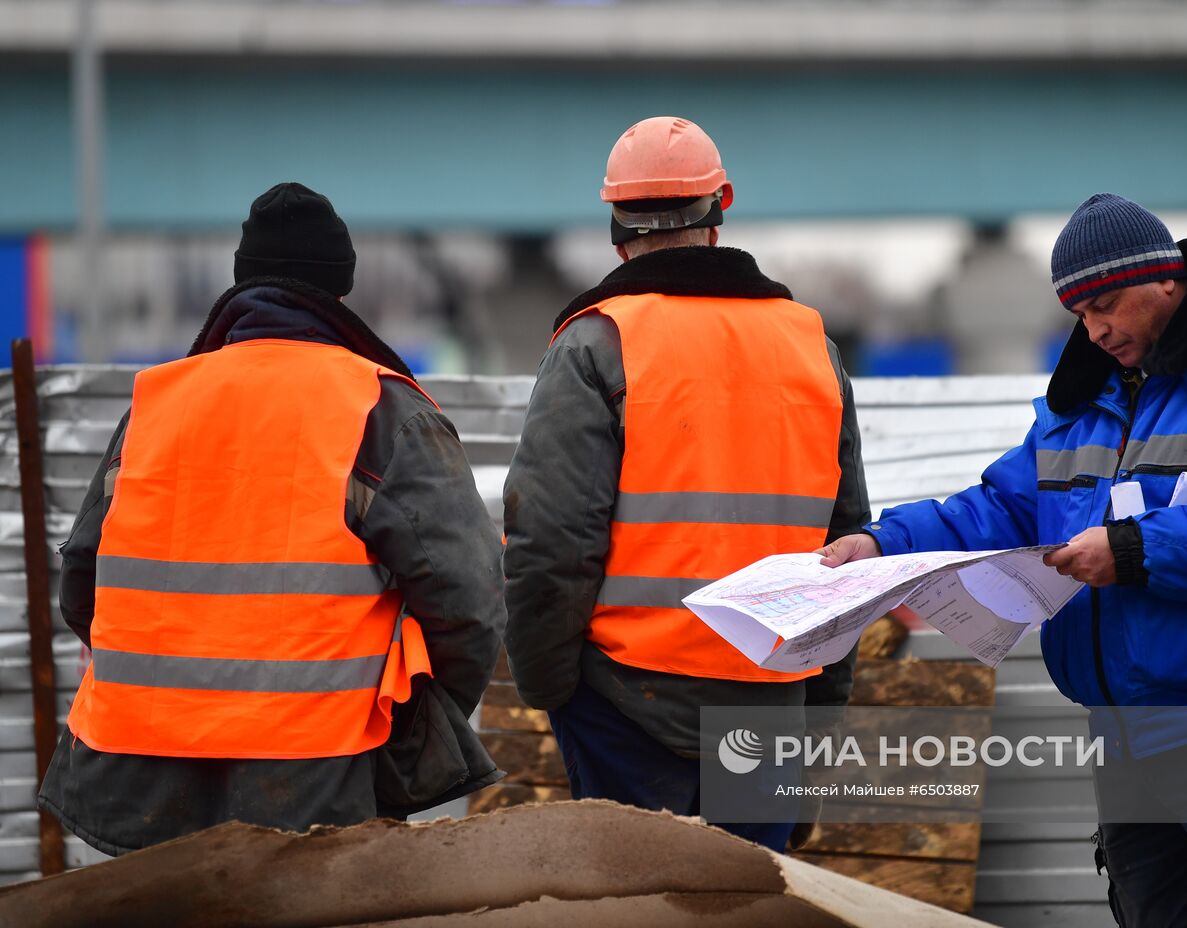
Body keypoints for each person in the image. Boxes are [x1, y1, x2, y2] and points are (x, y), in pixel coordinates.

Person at [820, 194, 1187, 927]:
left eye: (1108, 304)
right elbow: (1000, 508)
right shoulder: (1082, 405)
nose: (1096, 329)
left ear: (1167, 281)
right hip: (1125, 734)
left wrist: (1130, 550)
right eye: (1080, 314)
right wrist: (883, 541)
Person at [39, 182, 507, 855]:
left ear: (242, 284)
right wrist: (415, 730)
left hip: (140, 778)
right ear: (339, 292)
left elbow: (83, 582)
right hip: (318, 775)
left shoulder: (155, 408)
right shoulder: (381, 410)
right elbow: (471, 603)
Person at [502, 116, 870, 853]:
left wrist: (548, 688)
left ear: (615, 224)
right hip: (771, 700)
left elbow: (550, 539)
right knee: (751, 904)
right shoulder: (810, 346)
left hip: (625, 702)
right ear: (721, 204)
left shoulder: (596, 342)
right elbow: (849, 546)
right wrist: (820, 702)